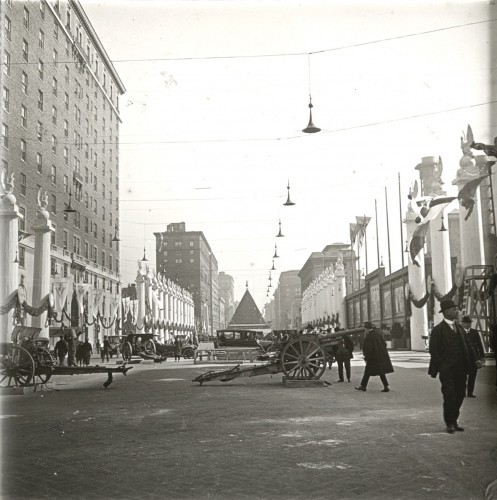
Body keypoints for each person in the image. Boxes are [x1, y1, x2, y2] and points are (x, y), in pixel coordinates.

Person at [428, 299, 479, 434]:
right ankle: (450, 423)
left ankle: (454, 420)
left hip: (461, 369)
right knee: (449, 395)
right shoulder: (438, 330)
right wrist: (442, 366)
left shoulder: (460, 328)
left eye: (456, 309)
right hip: (447, 369)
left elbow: (468, 345)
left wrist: (476, 360)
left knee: (460, 394)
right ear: (446, 312)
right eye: (453, 309)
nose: (456, 311)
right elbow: (433, 350)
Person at [355, 322, 394, 392]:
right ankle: (386, 386)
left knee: (367, 372)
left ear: (366, 329)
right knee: (381, 372)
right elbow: (384, 344)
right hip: (380, 356)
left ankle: (363, 386)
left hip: (373, 358)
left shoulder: (368, 336)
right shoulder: (378, 334)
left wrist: (366, 358)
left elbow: (368, 349)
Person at [460, 315, 485, 398]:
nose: (468, 325)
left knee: (472, 376)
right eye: (466, 323)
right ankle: (462, 393)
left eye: (469, 323)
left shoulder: (475, 332)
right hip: (463, 358)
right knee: (463, 376)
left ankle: (470, 393)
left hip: (474, 358)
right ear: (462, 323)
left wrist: (482, 356)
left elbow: (479, 344)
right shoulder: (459, 332)